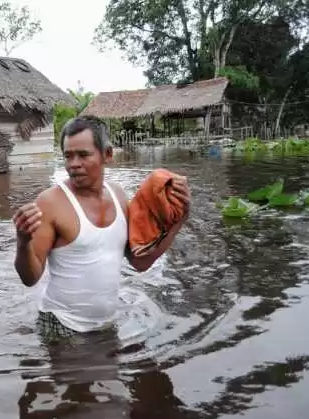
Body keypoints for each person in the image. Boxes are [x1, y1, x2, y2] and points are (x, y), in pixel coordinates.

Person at [13, 116, 190, 337]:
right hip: (62, 325)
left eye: (83, 155)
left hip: (107, 324)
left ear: (107, 154)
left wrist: (179, 220)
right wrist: (23, 241)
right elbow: (30, 278)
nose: (73, 164)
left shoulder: (118, 195)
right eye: (68, 156)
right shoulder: (50, 203)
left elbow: (140, 262)